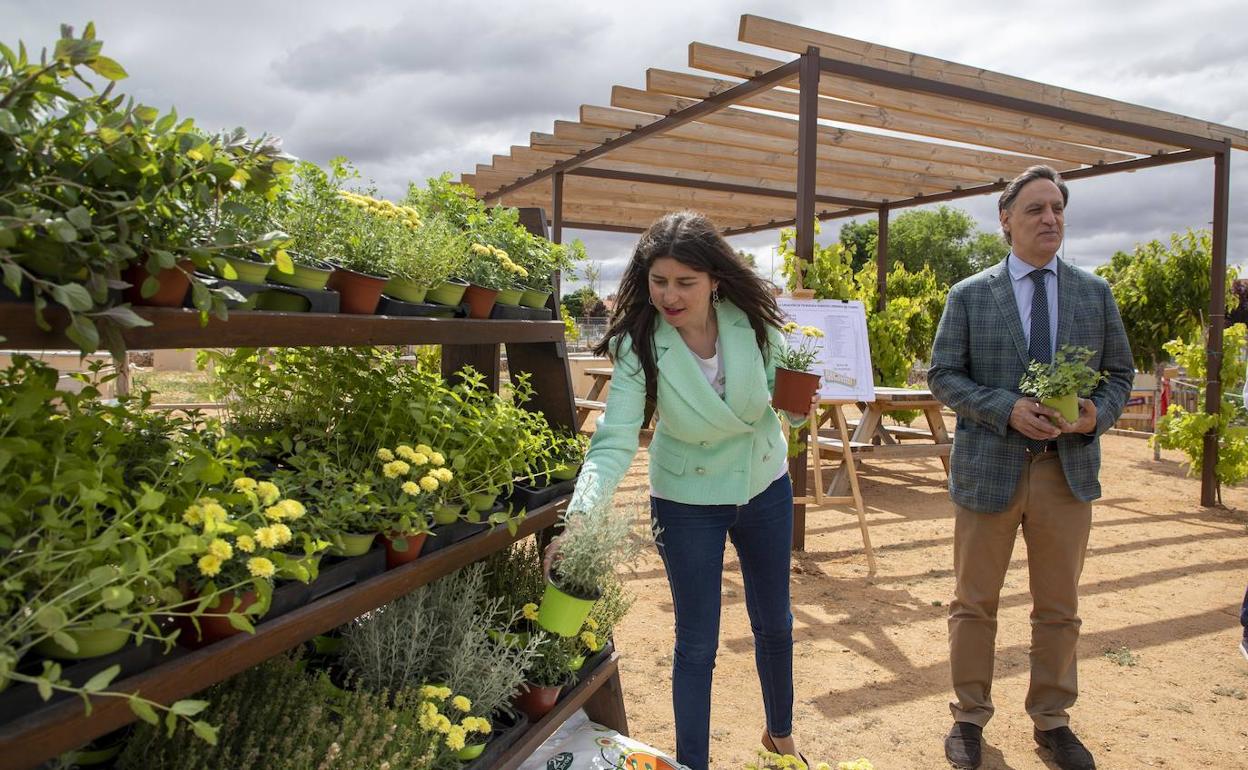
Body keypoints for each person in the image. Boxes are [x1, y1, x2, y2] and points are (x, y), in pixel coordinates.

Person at [544, 211, 810, 770]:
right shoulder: (640, 343)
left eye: (685, 282)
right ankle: (694, 763)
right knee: (697, 642)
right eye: (658, 280)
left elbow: (774, 392)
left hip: (763, 484)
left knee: (775, 622)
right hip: (687, 499)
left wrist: (794, 404)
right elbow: (614, 439)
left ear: (715, 279)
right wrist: (581, 518)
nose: (669, 295)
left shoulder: (753, 324)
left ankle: (781, 737)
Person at [928, 166, 1133, 770]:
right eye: (1037, 209)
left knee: (1059, 606)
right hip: (989, 470)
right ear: (1006, 220)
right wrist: (1006, 409)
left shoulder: (1094, 294)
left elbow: (1119, 375)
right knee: (974, 602)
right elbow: (942, 375)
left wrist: (1097, 414)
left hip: (1065, 474)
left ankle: (1053, 720)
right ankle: (968, 717)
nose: (1051, 218)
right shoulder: (969, 294)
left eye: (1058, 209)